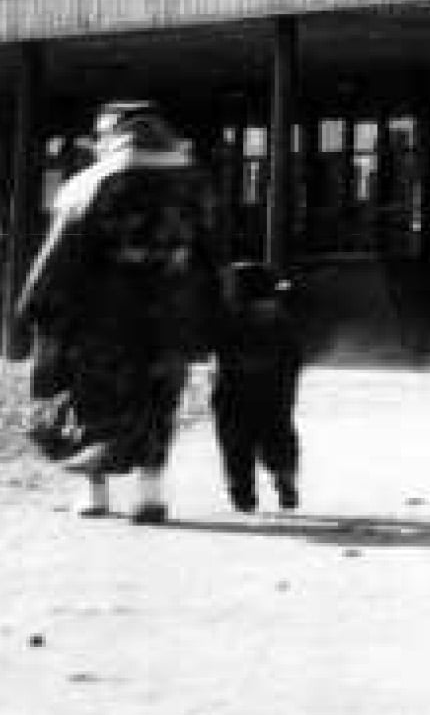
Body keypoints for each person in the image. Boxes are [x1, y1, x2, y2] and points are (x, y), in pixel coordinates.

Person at [18, 101, 221, 524]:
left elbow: (60, 252)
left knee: (95, 400)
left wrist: (36, 307)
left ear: (109, 136)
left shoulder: (89, 183)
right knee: (159, 400)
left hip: (102, 316)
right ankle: (151, 495)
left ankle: (95, 493)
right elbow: (212, 254)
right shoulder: (194, 184)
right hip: (171, 313)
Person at [213, 261, 306, 512]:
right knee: (278, 433)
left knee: (236, 443)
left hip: (234, 391)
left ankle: (243, 493)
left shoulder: (229, 316)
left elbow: (220, 350)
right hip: (275, 389)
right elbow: (294, 356)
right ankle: (284, 474)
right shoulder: (281, 317)